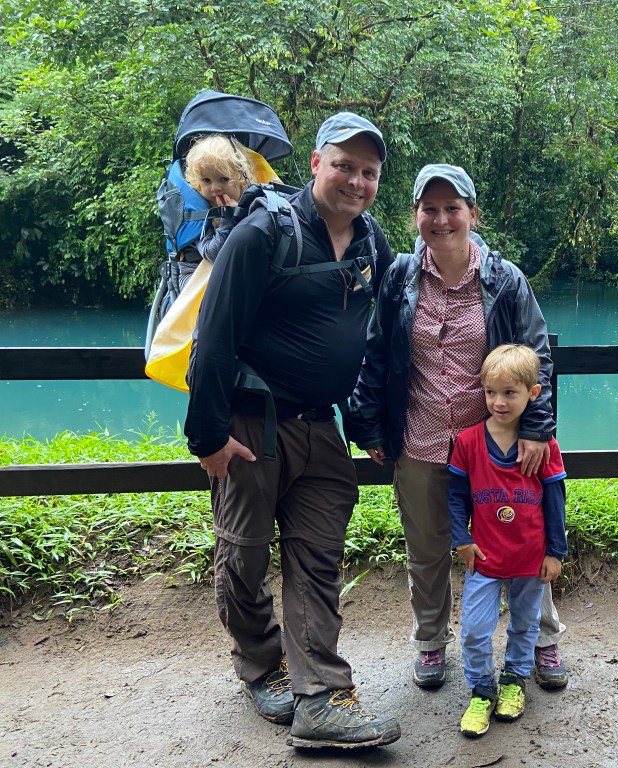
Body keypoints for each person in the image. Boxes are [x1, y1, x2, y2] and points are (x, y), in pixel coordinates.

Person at [183, 112, 400, 749]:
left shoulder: (371, 242)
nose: (356, 181)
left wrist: (366, 422)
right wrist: (208, 437)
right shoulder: (263, 234)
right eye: (344, 166)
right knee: (244, 556)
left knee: (318, 561)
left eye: (368, 172)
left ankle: (322, 697)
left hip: (321, 428)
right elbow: (214, 338)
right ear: (315, 164)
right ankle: (261, 665)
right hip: (251, 425)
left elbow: (378, 338)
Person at [346, 163, 570, 692]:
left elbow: (537, 356)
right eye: (430, 209)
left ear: (473, 213)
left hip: (497, 446)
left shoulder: (504, 279)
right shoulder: (399, 277)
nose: (442, 219)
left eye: (453, 208)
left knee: (524, 538)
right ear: (416, 216)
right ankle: (430, 641)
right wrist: (369, 427)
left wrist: (536, 428)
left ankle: (542, 639)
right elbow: (376, 353)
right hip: (422, 440)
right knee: (427, 550)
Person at [448, 344, 568, 737]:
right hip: (484, 558)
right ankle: (482, 689)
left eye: (510, 393)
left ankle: (515, 679)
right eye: (490, 392)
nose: (498, 402)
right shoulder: (468, 442)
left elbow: (555, 500)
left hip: (530, 559)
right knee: (474, 628)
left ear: (533, 393)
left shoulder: (544, 446)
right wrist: (461, 538)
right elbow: (456, 496)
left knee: (525, 624)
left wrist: (555, 551)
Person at [179, 134, 256, 291]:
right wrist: (228, 219)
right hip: (195, 278)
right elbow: (212, 254)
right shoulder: (199, 211)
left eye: (224, 179)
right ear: (197, 182)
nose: (215, 188)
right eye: (206, 180)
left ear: (241, 179)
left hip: (235, 272)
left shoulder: (252, 204)